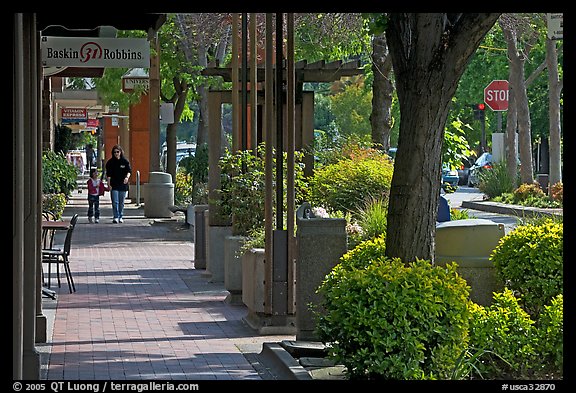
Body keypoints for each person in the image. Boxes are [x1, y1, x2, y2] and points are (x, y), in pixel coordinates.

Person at [105, 144, 132, 223]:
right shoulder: (110, 163)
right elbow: (108, 175)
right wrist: (109, 184)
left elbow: (129, 171)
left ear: (121, 152)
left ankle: (120, 216)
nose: (116, 153)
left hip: (123, 184)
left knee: (121, 202)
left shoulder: (125, 161)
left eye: (117, 152)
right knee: (115, 202)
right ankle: (116, 216)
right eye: (114, 152)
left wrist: (127, 177)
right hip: (114, 184)